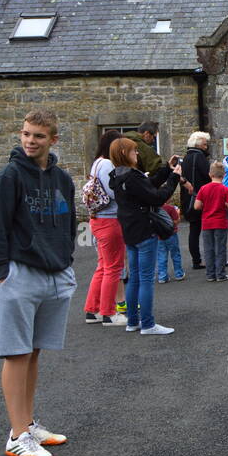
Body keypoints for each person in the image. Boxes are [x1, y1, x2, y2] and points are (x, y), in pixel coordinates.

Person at [0, 109, 78, 456]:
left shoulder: (62, 179)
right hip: (17, 273)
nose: (29, 141)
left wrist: (65, 258)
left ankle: (26, 424)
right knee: (16, 351)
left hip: (54, 272)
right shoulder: (10, 176)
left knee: (34, 349)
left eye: (37, 136)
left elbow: (69, 223)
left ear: (52, 140)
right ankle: (17, 436)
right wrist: (1, 271)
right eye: (25, 134)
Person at [110, 137, 182, 336]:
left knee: (133, 279)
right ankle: (148, 324)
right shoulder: (133, 176)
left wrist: (167, 169)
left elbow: (147, 186)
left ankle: (133, 321)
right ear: (125, 153)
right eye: (134, 150)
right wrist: (174, 178)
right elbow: (156, 197)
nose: (137, 153)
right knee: (146, 279)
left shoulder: (117, 176)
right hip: (144, 230)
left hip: (130, 231)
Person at [83, 129, 128, 325]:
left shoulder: (96, 163)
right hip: (110, 219)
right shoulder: (108, 164)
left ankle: (93, 310)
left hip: (98, 219)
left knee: (103, 267)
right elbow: (114, 192)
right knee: (114, 267)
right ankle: (109, 313)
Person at [195, 161, 228, 281]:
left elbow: (196, 206)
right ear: (224, 176)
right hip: (220, 223)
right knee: (220, 249)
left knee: (208, 249)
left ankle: (210, 274)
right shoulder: (225, 189)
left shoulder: (203, 188)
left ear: (210, 174)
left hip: (207, 223)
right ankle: (220, 274)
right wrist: (224, 203)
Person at [178, 131, 213, 270]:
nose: (206, 147)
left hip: (188, 198)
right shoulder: (199, 158)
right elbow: (209, 176)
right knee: (208, 230)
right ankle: (208, 259)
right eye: (205, 144)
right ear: (198, 145)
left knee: (194, 230)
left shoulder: (186, 157)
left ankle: (196, 260)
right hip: (200, 199)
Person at [156, 201, 184, 283]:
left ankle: (162, 276)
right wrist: (178, 214)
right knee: (175, 254)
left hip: (159, 235)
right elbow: (175, 221)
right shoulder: (170, 208)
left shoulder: (154, 208)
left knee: (161, 256)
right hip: (171, 234)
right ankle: (179, 274)